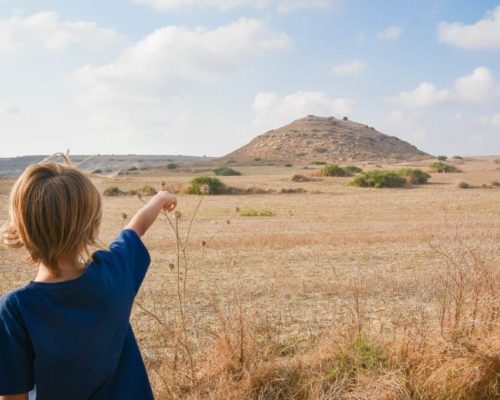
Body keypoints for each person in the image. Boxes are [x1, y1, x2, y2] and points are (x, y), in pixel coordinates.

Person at [0, 162, 177, 400]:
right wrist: (160, 198)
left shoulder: (16, 310)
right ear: (91, 225)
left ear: (21, 227)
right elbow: (135, 229)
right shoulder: (114, 272)